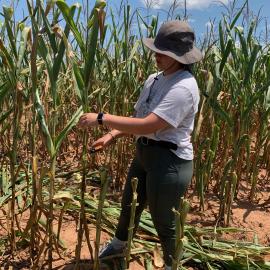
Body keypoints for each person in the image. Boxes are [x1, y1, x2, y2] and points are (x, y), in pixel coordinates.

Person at [78, 20, 202, 270]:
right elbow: (138, 119)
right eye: (156, 50)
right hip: (145, 154)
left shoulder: (184, 87)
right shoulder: (155, 79)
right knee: (128, 205)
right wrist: (112, 135)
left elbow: (150, 124)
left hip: (170, 162)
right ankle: (119, 244)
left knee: (165, 221)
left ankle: (171, 264)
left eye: (163, 53)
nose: (156, 55)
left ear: (180, 56)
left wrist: (101, 119)